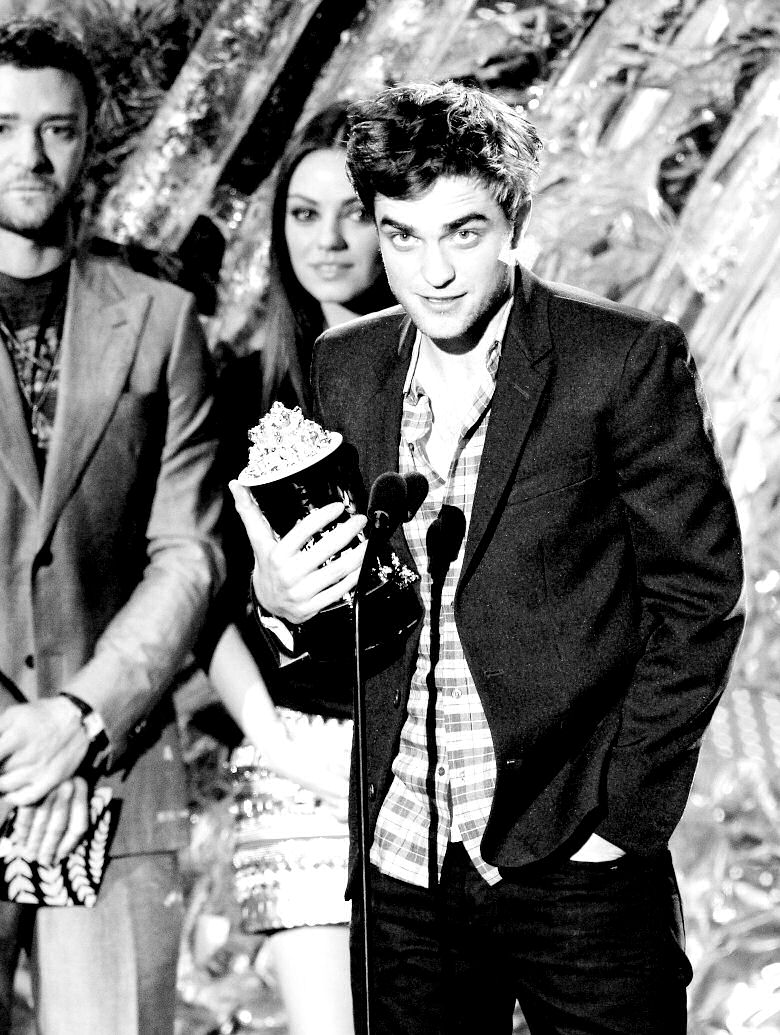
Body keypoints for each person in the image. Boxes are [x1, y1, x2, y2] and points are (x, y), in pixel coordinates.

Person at [229, 80, 746, 1034]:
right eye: (401, 237)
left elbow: (700, 599)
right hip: (403, 860)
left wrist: (619, 819)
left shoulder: (619, 358)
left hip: (574, 855)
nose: (431, 272)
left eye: (461, 233)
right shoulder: (347, 364)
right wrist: (280, 603)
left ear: (515, 220)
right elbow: (353, 611)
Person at [0, 17, 223, 1035]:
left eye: (57, 129)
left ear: (89, 140)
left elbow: (189, 552)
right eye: (0, 128)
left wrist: (81, 720)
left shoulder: (161, 321)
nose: (29, 155)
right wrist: (20, 747)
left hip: (118, 777)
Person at [203, 102, 395, 1035]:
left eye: (355, 213)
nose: (329, 240)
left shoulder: (446, 372)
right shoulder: (242, 390)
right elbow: (199, 594)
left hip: (427, 743)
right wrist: (272, 738)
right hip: (296, 744)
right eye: (304, 214)